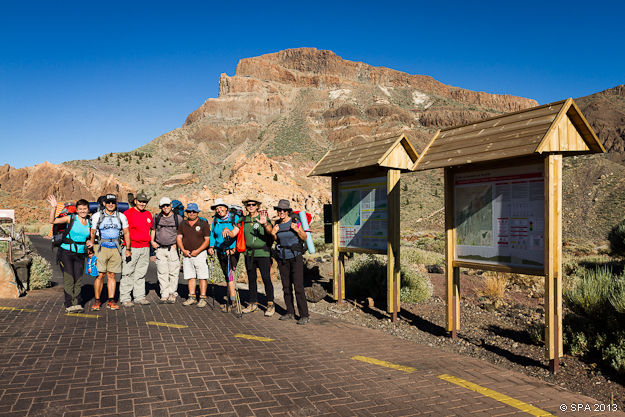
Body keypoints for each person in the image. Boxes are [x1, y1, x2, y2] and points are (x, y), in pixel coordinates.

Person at [47, 195, 92, 313]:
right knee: (69, 278)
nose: (83, 211)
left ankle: (77, 302)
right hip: (66, 252)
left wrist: (89, 242)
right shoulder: (70, 218)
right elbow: (52, 221)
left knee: (78, 278)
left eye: (85, 209)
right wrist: (54, 207)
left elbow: (89, 238)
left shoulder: (89, 222)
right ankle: (69, 304)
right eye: (80, 209)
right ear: (77, 210)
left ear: (88, 209)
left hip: (81, 253)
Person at [88, 193, 130, 311]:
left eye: (113, 202)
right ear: (104, 203)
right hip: (100, 248)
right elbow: (92, 232)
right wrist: (90, 249)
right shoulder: (97, 216)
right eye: (108, 202)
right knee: (100, 275)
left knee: (112, 275)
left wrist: (128, 249)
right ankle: (97, 300)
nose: (111, 204)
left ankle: (111, 300)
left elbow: (126, 232)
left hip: (116, 248)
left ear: (116, 204)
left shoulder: (121, 216)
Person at [271, 199, 309, 324]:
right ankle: (290, 312)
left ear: (288, 211)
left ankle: (304, 315)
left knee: (298, 286)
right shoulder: (277, 224)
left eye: (284, 210)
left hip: (295, 257)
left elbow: (304, 237)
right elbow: (277, 240)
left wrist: (297, 230)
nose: (281, 212)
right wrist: (273, 233)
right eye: (279, 210)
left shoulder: (295, 221)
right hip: (282, 258)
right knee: (286, 286)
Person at [239, 197, 275, 316]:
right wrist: (227, 232)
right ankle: (253, 303)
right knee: (252, 279)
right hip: (249, 254)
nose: (251, 206)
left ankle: (270, 304)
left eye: (253, 204)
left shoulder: (263, 218)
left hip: (263, 253)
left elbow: (271, 231)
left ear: (257, 206)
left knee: (266, 278)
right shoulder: (243, 220)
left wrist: (264, 224)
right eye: (248, 204)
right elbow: (235, 231)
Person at [119, 192, 153, 307]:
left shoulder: (148, 214)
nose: (142, 204)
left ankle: (139, 296)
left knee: (141, 273)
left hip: (145, 247)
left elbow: (151, 230)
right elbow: (123, 231)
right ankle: (125, 297)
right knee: (128, 272)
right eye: (140, 201)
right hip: (131, 247)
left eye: (144, 202)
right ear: (135, 201)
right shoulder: (128, 213)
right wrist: (127, 248)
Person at [207, 198, 240, 313]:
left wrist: (233, 248)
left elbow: (238, 234)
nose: (219, 210)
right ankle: (232, 299)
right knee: (227, 276)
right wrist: (211, 247)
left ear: (226, 208)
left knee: (230, 275)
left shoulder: (234, 218)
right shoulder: (216, 220)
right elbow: (212, 235)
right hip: (221, 251)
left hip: (231, 252)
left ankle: (233, 302)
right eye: (217, 208)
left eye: (221, 207)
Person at [176, 203, 211, 308]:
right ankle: (192, 296)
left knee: (202, 276)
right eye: (189, 211)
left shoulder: (203, 224)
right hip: (187, 254)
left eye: (194, 211)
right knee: (190, 275)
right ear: (186, 212)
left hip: (200, 254)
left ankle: (203, 297)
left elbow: (207, 240)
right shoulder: (183, 224)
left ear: (197, 212)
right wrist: (183, 250)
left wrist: (198, 250)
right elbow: (179, 238)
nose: (191, 213)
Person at [151, 196, 183, 303]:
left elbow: (181, 232)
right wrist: (152, 241)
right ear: (160, 207)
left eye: (167, 205)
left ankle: (172, 293)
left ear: (171, 205)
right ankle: (164, 293)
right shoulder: (157, 217)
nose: (165, 207)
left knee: (173, 272)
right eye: (163, 206)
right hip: (160, 248)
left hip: (172, 248)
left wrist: (177, 245)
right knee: (162, 272)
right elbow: (153, 230)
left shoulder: (177, 218)